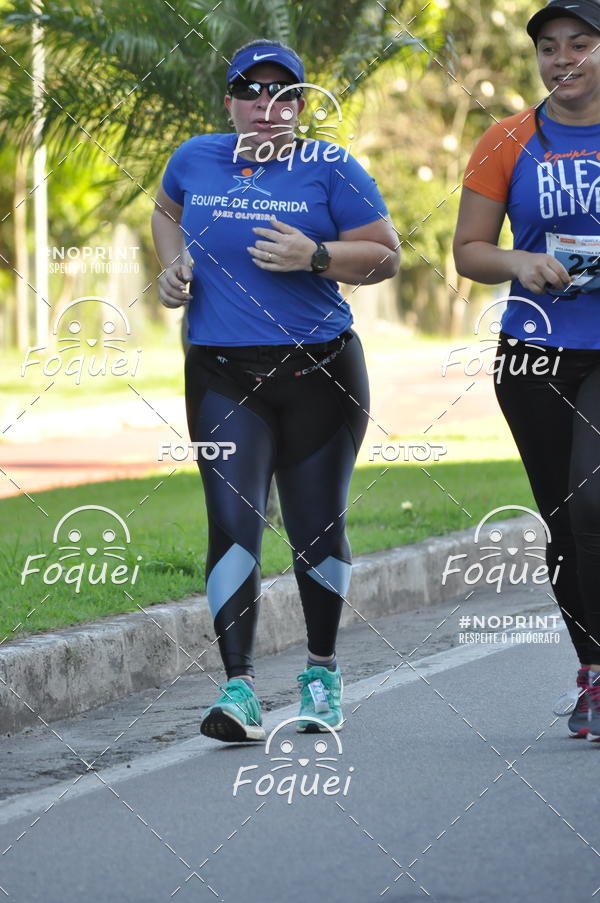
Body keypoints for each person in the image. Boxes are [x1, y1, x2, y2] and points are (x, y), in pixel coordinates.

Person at [151, 39, 399, 742]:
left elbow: (385, 254)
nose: (268, 108)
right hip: (223, 373)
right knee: (233, 524)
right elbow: (166, 213)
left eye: (284, 95)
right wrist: (174, 270)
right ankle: (239, 690)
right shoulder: (194, 158)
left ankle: (321, 676)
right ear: (229, 101)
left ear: (301, 105)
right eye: (252, 93)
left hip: (319, 371)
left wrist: (316, 256)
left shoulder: (332, 168)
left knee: (315, 526)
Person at [454, 0, 600, 740]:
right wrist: (521, 261)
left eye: (580, 43)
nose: (563, 58)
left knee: (596, 501)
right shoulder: (507, 139)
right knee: (565, 519)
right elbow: (469, 249)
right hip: (535, 351)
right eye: (549, 46)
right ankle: (594, 673)